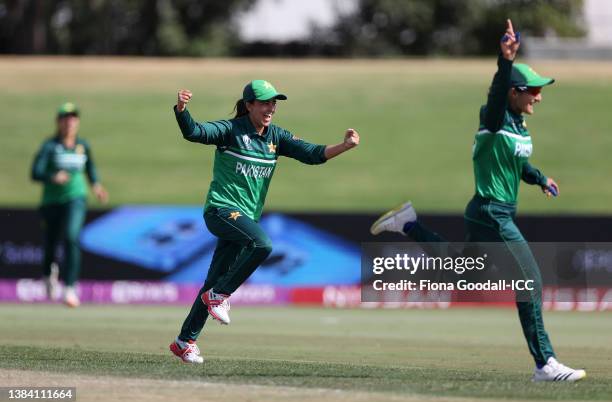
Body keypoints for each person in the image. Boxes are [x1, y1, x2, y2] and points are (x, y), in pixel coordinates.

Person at [370, 20, 586, 382]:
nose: (539, 96)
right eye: (533, 90)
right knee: (530, 280)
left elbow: (519, 162)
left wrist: (539, 178)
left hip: (488, 212)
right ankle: (545, 363)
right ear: (514, 92)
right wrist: (504, 62)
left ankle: (407, 223)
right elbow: (496, 95)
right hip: (491, 212)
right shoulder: (495, 117)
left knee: (460, 271)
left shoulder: (517, 125)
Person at [169, 80, 360, 363]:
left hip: (243, 218)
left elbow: (312, 154)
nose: (270, 108)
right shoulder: (230, 130)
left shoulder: (276, 137)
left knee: (212, 280)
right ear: (249, 106)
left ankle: (184, 341)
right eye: (264, 103)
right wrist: (182, 110)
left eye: (274, 103)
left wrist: (344, 146)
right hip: (221, 211)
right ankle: (219, 295)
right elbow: (195, 132)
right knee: (262, 243)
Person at [31, 102, 109, 307]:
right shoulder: (50, 146)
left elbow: (90, 167)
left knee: (72, 236)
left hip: (76, 198)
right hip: (51, 202)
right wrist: (52, 176)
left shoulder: (82, 145)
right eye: (65, 118)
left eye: (73, 118)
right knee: (50, 243)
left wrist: (97, 186)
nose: (69, 122)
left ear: (77, 122)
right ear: (59, 122)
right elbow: (35, 172)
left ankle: (70, 287)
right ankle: (49, 273)